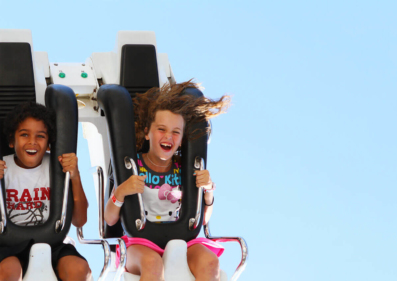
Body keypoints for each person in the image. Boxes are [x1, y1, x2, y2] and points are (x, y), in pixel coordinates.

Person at [104, 80, 230, 281]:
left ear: (181, 139)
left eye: (175, 132)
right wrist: (120, 192)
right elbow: (110, 219)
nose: (168, 137)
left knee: (210, 262)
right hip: (140, 242)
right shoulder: (133, 166)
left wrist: (209, 191)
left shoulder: (185, 170)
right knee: (153, 265)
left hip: (181, 239)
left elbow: (203, 219)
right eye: (161, 129)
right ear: (147, 132)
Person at [0, 102, 91, 281]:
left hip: (53, 242)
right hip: (8, 245)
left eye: (40, 136)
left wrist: (75, 175)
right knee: (7, 272)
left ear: (49, 143)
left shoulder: (56, 167)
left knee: (79, 269)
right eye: (24, 134)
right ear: (12, 140)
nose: (32, 142)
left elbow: (80, 220)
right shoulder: (4, 166)